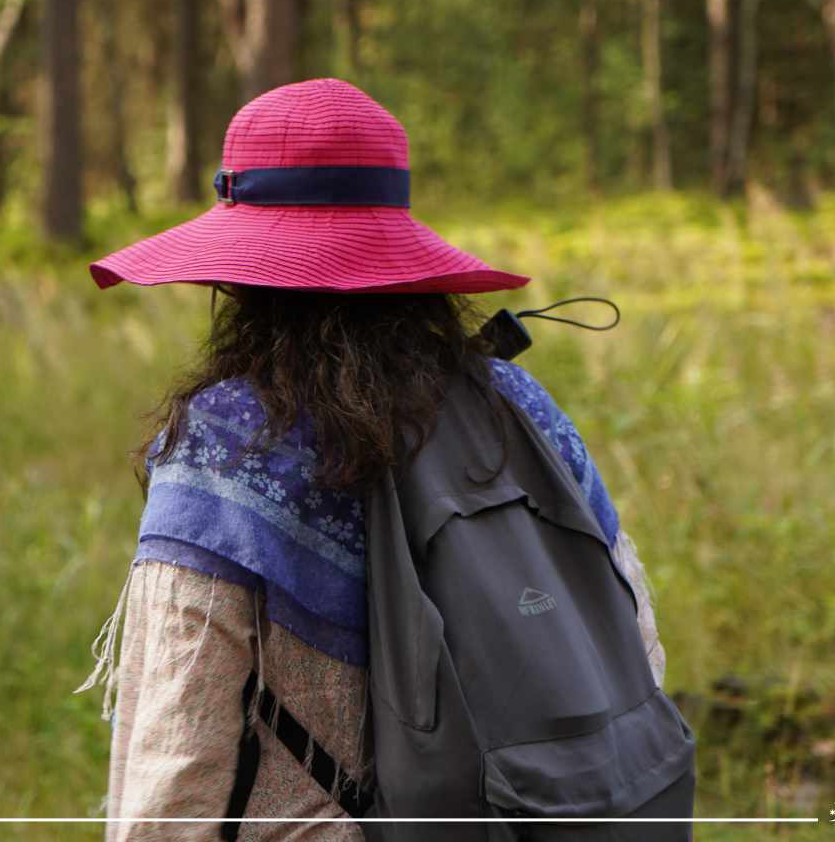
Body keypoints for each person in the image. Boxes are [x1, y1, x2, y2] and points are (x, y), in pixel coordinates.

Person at [76, 78, 669, 842]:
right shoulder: (519, 407)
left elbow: (176, 761)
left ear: (240, 271)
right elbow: (634, 647)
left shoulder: (227, 442)